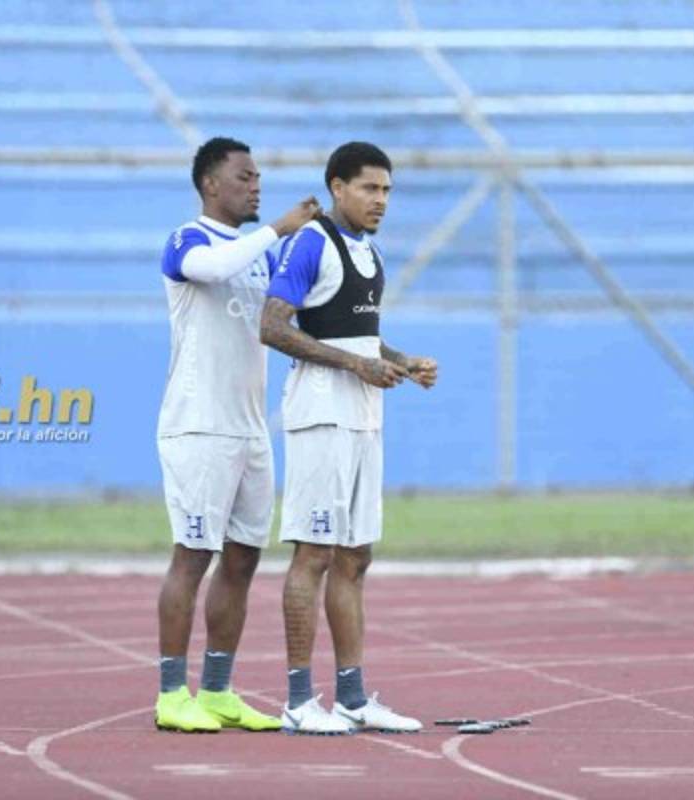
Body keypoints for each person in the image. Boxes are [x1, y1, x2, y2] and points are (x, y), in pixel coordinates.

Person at [259, 141, 438, 735]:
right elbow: (272, 327)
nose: (380, 200)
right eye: (369, 188)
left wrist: (402, 361)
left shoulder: (371, 250)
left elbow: (358, 335)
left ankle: (354, 698)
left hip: (365, 416)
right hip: (321, 414)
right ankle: (297, 701)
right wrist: (356, 366)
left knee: (356, 556)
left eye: (386, 190)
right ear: (337, 187)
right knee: (313, 554)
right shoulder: (311, 242)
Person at [155, 136, 320, 733]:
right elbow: (214, 268)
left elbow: (290, 314)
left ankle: (218, 690)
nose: (256, 186)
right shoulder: (188, 239)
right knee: (193, 555)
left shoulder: (262, 255)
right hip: (199, 426)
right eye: (244, 177)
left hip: (251, 429)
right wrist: (279, 228)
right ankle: (171, 694)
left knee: (244, 558)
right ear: (210, 184)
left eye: (259, 178)